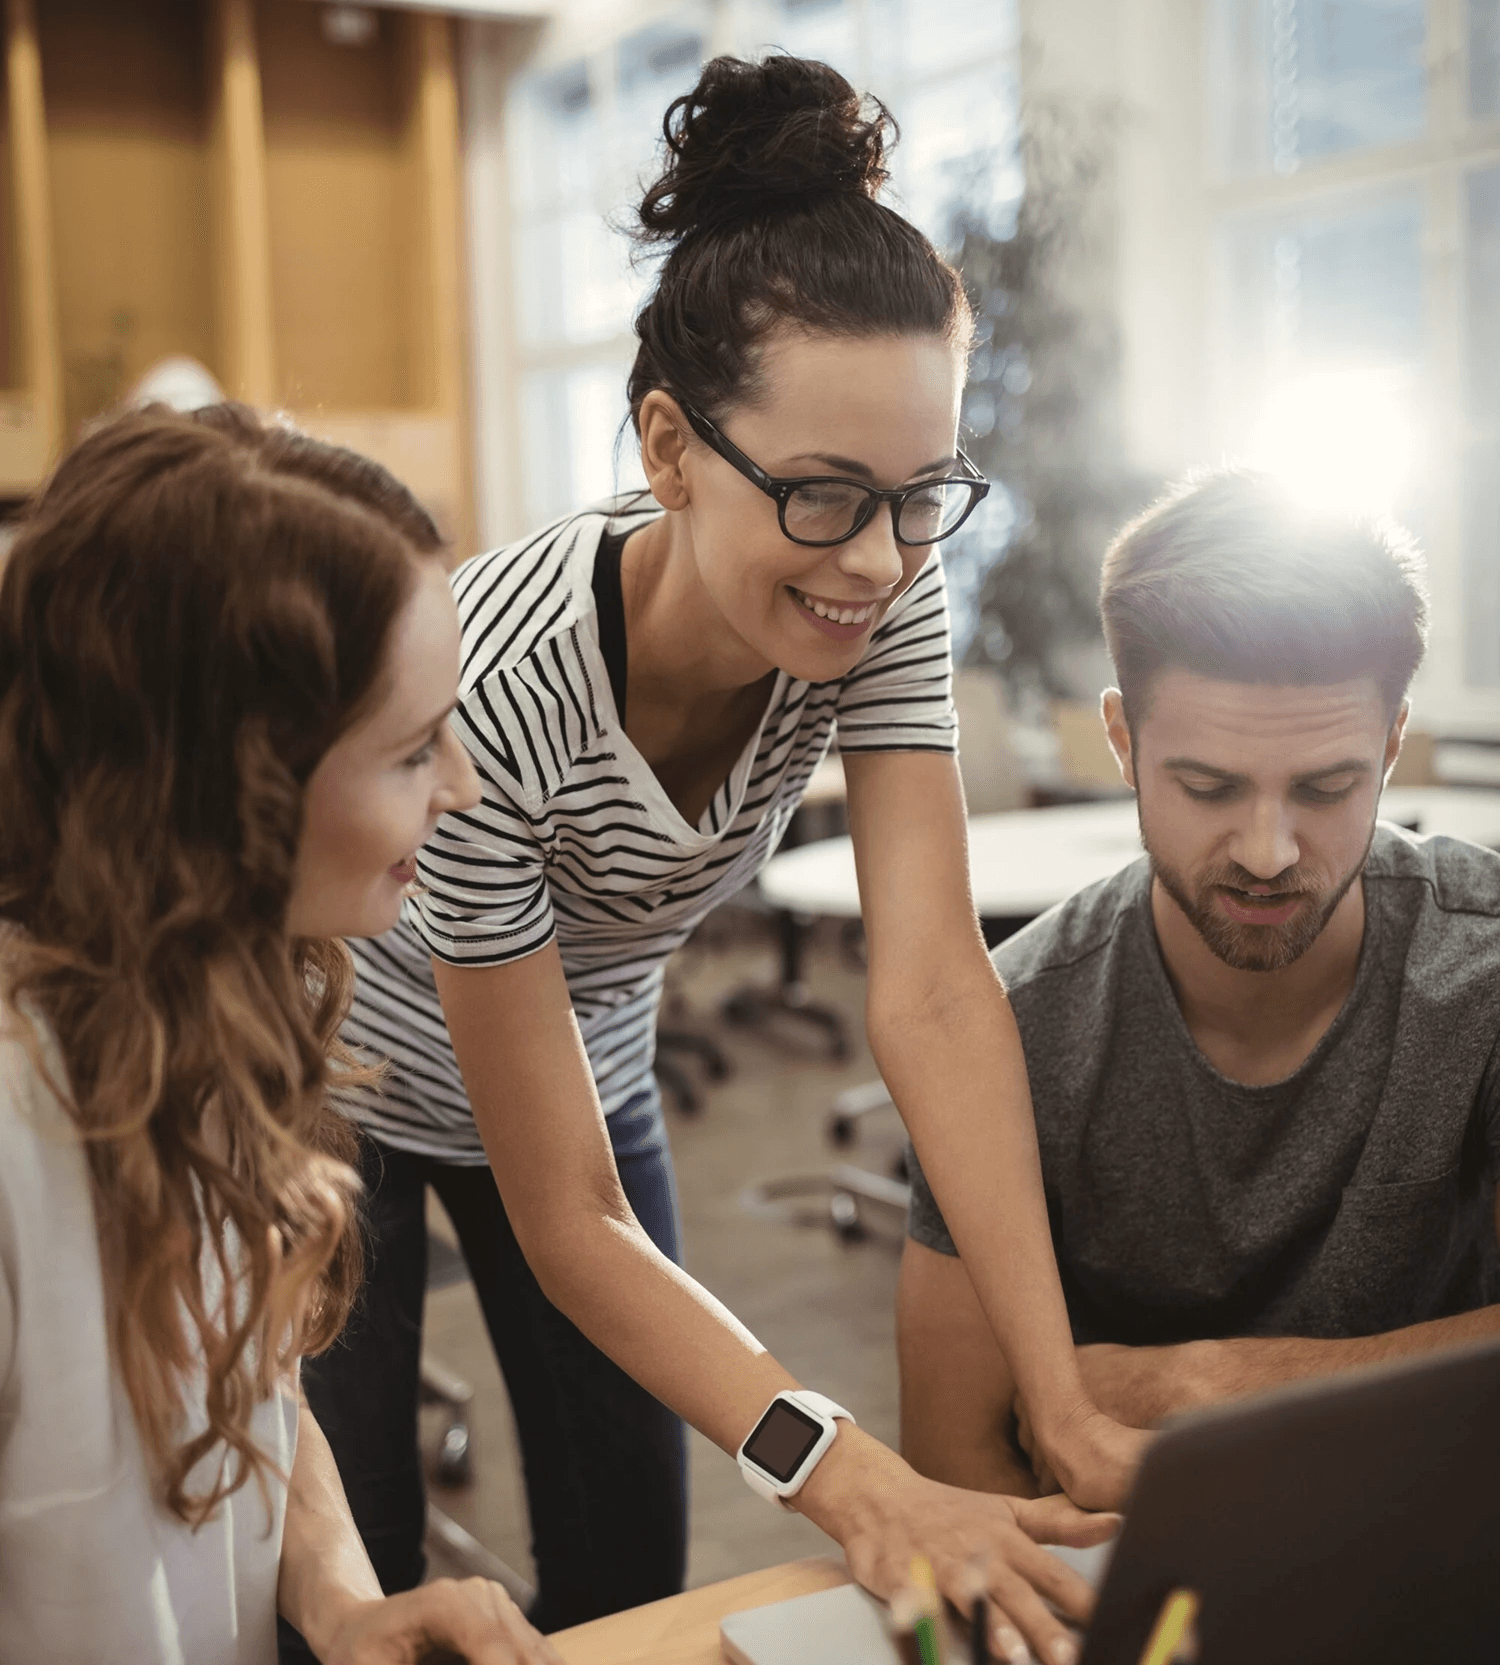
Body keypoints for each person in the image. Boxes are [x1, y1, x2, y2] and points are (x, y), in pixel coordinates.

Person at [296, 53, 1130, 1665]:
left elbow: (937, 994)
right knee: (372, 1586)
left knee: (639, 1572)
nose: (877, 559)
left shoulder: (874, 593)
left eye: (919, 497)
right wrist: (856, 1476)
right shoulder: (503, 683)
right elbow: (565, 1217)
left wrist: (1062, 1393)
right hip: (343, 1098)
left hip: (584, 1070)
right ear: (670, 448)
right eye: (821, 496)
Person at [0, 403, 563, 1663]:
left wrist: (340, 1599)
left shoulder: (230, 1002)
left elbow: (248, 1397)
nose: (464, 787)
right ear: (231, 782)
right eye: (416, 749)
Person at [899, 469, 1500, 1497]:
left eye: (1326, 787)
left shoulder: (1481, 972)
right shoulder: (1009, 1024)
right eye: (1209, 787)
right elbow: (959, 1463)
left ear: (1393, 744)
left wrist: (1214, 1382)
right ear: (1124, 742)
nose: (1268, 852)